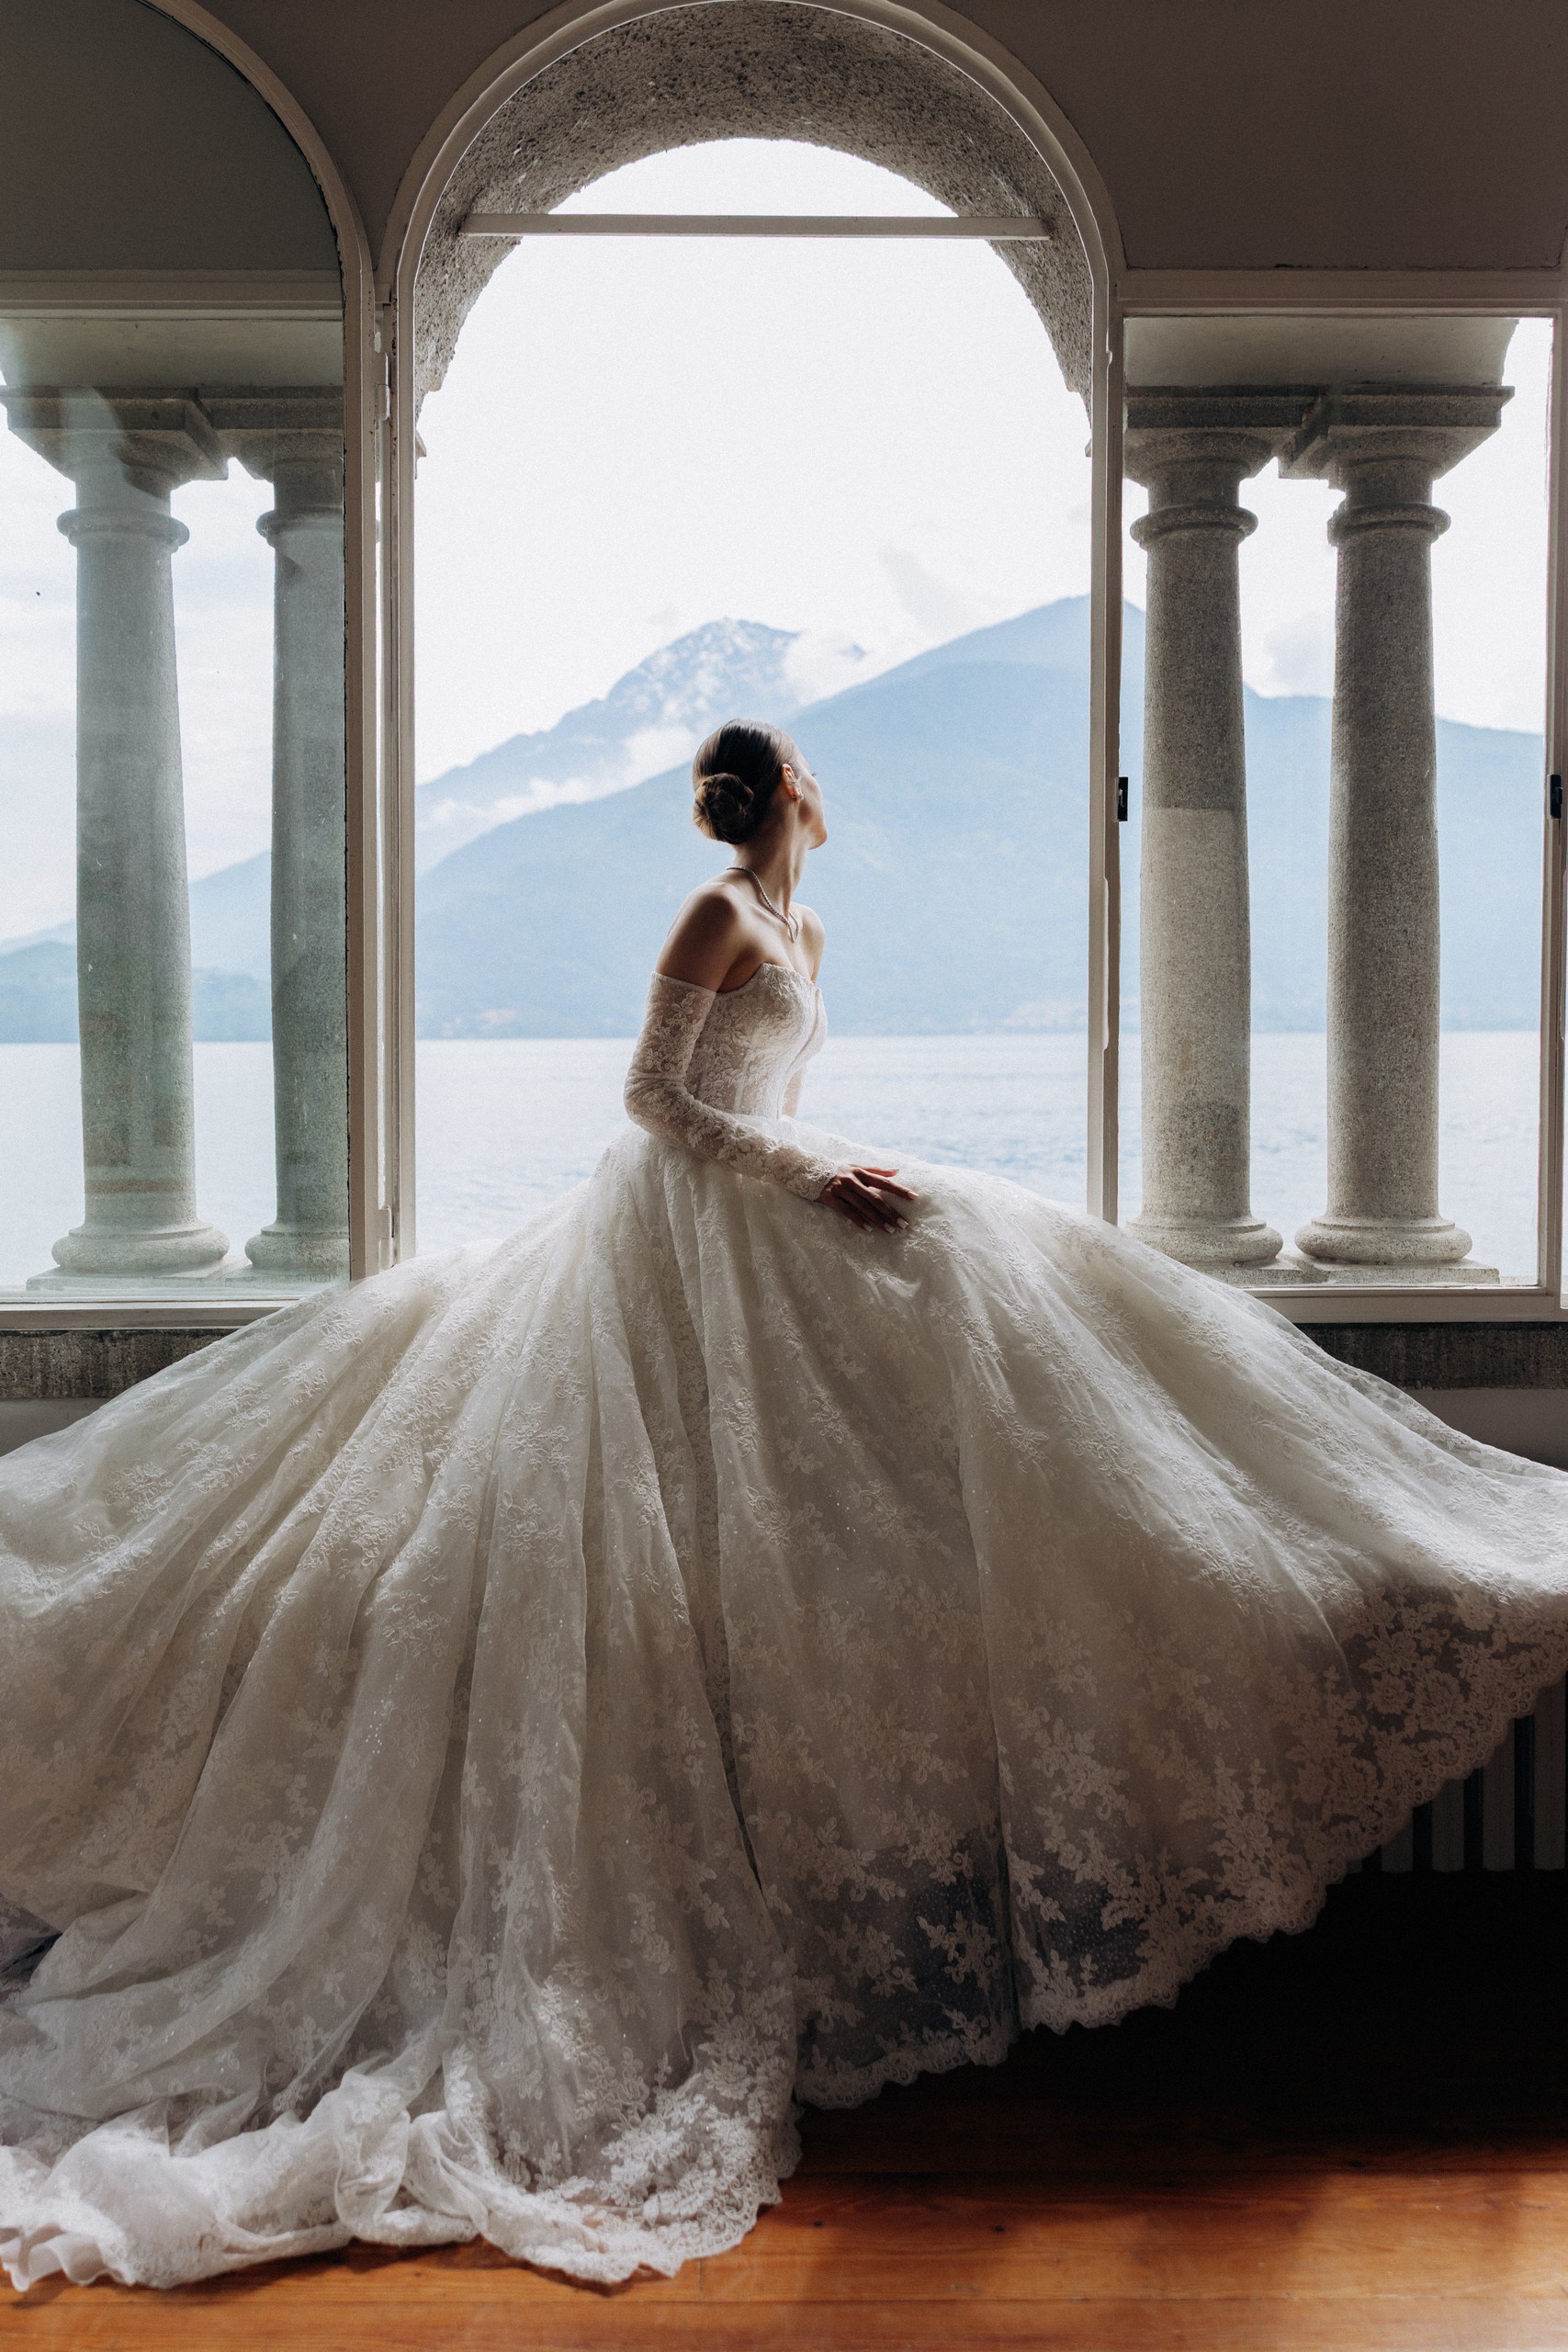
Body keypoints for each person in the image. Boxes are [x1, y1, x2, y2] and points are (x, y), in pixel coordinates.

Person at [3, 718, 1567, 2293]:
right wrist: (805, 1179)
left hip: (767, 1215)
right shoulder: (721, 918)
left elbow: (759, 1089)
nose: (818, 782)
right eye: (807, 763)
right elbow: (651, 1101)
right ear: (789, 791)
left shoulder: (807, 925)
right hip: (681, 1233)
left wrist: (825, 1171)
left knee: (981, 1269)